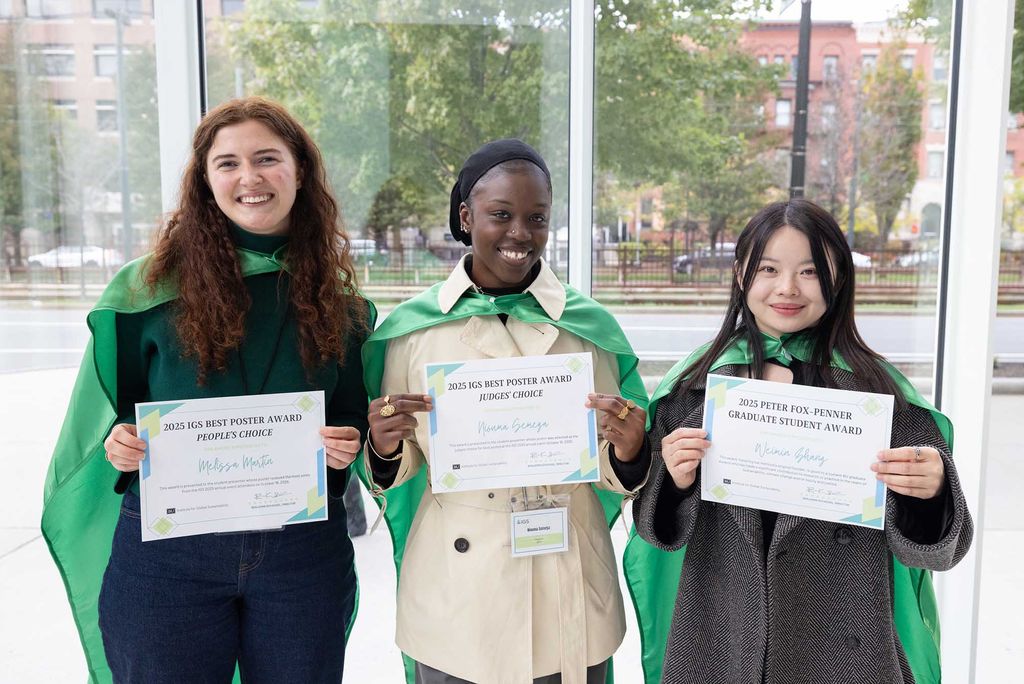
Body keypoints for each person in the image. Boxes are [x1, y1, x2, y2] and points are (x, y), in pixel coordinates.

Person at [40, 97, 373, 683]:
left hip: (300, 552)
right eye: (228, 163)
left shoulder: (341, 304)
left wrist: (347, 445)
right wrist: (120, 446)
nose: (250, 177)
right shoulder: (143, 295)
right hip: (170, 556)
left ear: (300, 171)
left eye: (267, 158)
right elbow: (116, 421)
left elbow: (352, 419)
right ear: (204, 180)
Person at [630, 199, 973, 684]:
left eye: (810, 272)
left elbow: (937, 554)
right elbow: (653, 535)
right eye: (768, 268)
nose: (786, 288)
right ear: (740, 273)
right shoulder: (693, 389)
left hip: (847, 644)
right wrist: (675, 479)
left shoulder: (881, 395)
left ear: (839, 281)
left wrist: (933, 491)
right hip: (720, 637)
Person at [358, 139, 649, 684]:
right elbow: (396, 472)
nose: (520, 233)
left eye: (536, 218)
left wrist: (630, 449)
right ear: (466, 217)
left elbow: (617, 466)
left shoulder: (588, 329)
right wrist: (384, 444)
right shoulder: (412, 333)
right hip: (457, 592)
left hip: (565, 571)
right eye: (500, 215)